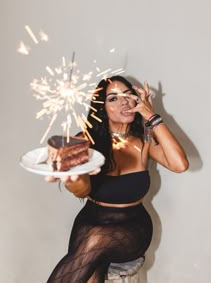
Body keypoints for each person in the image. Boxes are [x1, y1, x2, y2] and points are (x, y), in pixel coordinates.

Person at [46, 75, 189, 282]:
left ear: (136, 100)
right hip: (90, 220)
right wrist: (71, 175)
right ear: (102, 108)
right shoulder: (85, 141)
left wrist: (151, 116)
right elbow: (81, 191)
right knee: (92, 264)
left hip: (131, 228)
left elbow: (180, 164)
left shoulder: (145, 138)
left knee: (94, 241)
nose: (123, 101)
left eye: (127, 94)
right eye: (113, 98)